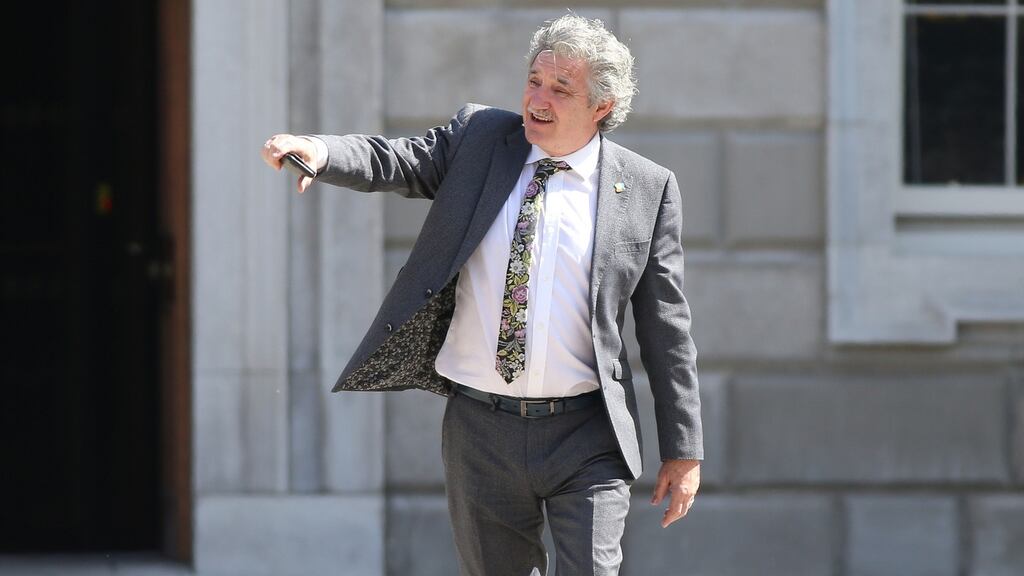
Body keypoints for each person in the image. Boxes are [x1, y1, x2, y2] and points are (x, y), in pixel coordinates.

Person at [261, 14, 702, 576]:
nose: (538, 98)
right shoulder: (481, 139)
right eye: (534, 80)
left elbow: (667, 326)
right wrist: (321, 153)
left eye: (560, 88)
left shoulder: (646, 187)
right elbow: (396, 158)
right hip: (481, 431)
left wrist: (683, 448)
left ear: (602, 106)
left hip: (587, 432)